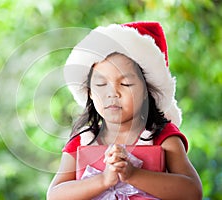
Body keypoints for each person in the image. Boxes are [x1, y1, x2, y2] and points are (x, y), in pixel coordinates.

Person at [47, 21, 202, 200]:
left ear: (146, 91)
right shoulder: (83, 140)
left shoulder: (163, 137)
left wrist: (133, 175)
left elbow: (192, 191)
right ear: (89, 92)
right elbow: (54, 195)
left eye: (126, 84)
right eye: (101, 84)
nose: (112, 93)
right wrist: (104, 180)